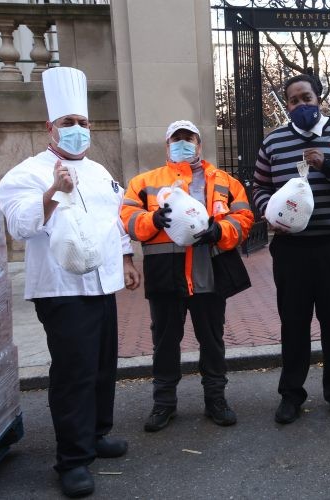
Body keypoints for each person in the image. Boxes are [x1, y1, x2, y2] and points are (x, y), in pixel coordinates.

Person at [0, 67, 141, 498]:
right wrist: (53, 192)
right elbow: (21, 226)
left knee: (101, 365)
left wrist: (128, 258)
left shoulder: (99, 171)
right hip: (61, 289)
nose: (77, 130)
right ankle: (72, 460)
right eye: (68, 123)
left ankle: (96, 434)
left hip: (102, 284)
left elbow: (114, 220)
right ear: (50, 128)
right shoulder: (26, 173)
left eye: (82, 123)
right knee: (74, 373)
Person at [252, 71, 330, 424]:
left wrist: (328, 164)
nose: (300, 105)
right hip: (291, 249)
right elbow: (259, 186)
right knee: (293, 324)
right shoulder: (273, 142)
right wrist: (266, 211)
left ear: (318, 98)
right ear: (287, 105)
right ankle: (291, 395)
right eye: (293, 100)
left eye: (306, 97)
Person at [120, 120, 254, 432]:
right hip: (166, 275)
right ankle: (163, 403)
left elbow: (245, 219)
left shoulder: (225, 182)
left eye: (188, 138)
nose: (183, 144)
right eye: (176, 139)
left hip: (210, 273)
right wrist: (153, 218)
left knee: (212, 341)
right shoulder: (144, 182)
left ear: (199, 144)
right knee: (165, 343)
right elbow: (128, 220)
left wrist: (219, 229)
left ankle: (216, 400)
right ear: (167, 146)